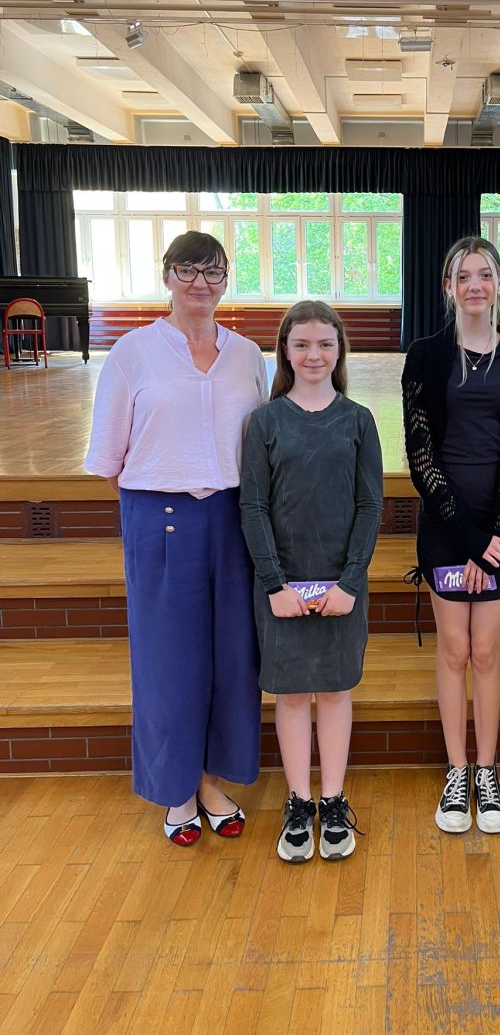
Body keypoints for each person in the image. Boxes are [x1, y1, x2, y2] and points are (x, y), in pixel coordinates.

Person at [84, 231, 268, 846]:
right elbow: (109, 457)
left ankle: (213, 781)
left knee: (233, 658)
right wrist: (160, 498)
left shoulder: (247, 355)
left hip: (234, 518)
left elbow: (258, 443)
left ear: (226, 280)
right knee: (168, 663)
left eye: (213, 271)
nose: (200, 282)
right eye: (187, 269)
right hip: (158, 517)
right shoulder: (132, 352)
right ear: (167, 276)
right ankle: (176, 790)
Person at [402, 236, 500, 835]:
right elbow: (420, 453)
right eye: (464, 276)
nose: (475, 285)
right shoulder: (424, 355)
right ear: (448, 287)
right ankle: (456, 771)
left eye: (485, 274)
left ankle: (487, 769)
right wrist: (468, 538)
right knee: (454, 649)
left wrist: (499, 533)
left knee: (487, 651)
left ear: (499, 283)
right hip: (445, 526)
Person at [240, 301, 382, 862]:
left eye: (325, 344)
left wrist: (350, 582)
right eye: (302, 344)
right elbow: (253, 507)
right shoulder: (266, 422)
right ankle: (298, 801)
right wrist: (274, 585)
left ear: (340, 350)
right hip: (282, 588)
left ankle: (333, 799)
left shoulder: (358, 420)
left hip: (341, 586)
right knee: (294, 694)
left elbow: (370, 505)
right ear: (285, 351)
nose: (314, 354)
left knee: (336, 691)